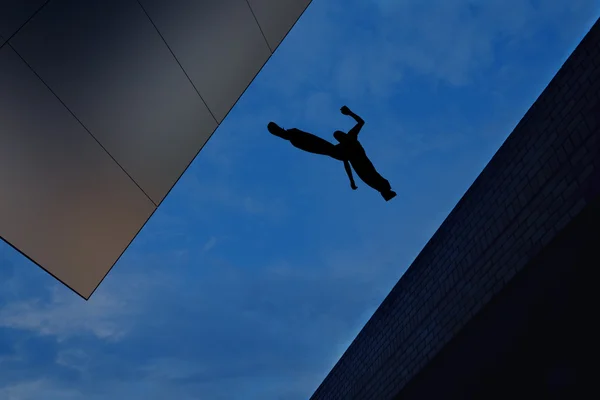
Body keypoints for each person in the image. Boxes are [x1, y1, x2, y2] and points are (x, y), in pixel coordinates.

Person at [267, 106, 396, 201]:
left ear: (344, 135)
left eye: (340, 136)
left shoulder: (351, 137)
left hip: (360, 165)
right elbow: (346, 163)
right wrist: (351, 180)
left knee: (374, 179)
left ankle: (385, 190)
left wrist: (350, 113)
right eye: (338, 138)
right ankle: (384, 190)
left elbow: (361, 122)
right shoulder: (345, 144)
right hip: (355, 165)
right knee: (372, 180)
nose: (339, 138)